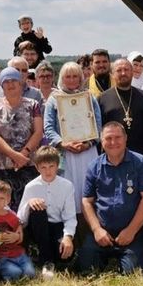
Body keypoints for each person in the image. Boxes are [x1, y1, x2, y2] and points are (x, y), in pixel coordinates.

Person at [79, 122, 143, 274]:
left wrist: (131, 231)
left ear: (126, 138)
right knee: (86, 270)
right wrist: (96, 230)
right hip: (102, 232)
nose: (113, 142)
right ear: (102, 140)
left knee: (134, 274)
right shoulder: (94, 166)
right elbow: (86, 201)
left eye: (117, 137)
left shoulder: (141, 163)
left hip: (131, 232)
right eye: (108, 138)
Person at [43, 62, 102, 199]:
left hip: (87, 151)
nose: (71, 80)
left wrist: (88, 144)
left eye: (75, 76)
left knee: (89, 189)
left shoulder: (89, 97)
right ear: (62, 78)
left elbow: (98, 125)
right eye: (68, 76)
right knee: (67, 191)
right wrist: (63, 143)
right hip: (65, 152)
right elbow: (49, 127)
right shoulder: (54, 99)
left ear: (81, 78)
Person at [0, 67, 43, 209]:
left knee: (30, 207)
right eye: (6, 81)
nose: (10, 84)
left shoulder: (33, 105)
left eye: (14, 81)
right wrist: (14, 155)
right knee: (3, 209)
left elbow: (38, 132)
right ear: (1, 84)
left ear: (21, 83)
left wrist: (23, 154)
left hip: (27, 164)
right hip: (1, 167)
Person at [17, 146, 76, 279]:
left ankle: (51, 257)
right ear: (37, 168)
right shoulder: (31, 186)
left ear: (57, 165)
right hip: (38, 227)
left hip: (57, 226)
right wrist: (29, 204)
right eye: (43, 167)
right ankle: (47, 262)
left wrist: (68, 237)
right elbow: (20, 218)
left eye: (51, 166)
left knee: (66, 256)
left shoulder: (67, 186)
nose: (48, 171)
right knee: (38, 208)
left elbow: (70, 216)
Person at [99, 57, 143, 159]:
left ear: (132, 72)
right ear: (112, 74)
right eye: (119, 70)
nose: (123, 73)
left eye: (126, 70)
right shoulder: (103, 99)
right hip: (114, 156)